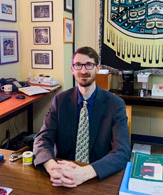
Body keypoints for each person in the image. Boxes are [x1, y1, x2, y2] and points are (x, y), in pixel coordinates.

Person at [33, 46, 131, 188]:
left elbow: (122, 152)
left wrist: (84, 173)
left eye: (89, 65)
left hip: (96, 176)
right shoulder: (59, 101)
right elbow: (42, 139)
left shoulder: (115, 105)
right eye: (78, 65)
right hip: (62, 176)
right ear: (72, 69)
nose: (83, 71)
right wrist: (53, 168)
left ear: (97, 68)